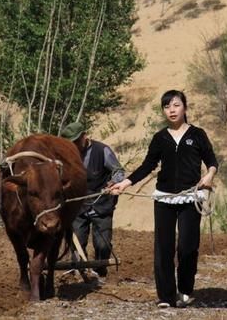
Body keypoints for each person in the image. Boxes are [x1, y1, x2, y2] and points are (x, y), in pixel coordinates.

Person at [109, 90, 218, 308]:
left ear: (184, 108)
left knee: (188, 247)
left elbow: (212, 161)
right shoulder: (160, 138)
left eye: (176, 105)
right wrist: (125, 183)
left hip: (190, 198)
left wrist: (209, 175)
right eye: (167, 107)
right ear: (163, 111)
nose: (172, 110)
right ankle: (166, 297)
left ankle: (185, 290)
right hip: (164, 198)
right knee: (163, 248)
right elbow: (148, 165)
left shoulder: (197, 135)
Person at [60, 122, 125, 278]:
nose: (74, 145)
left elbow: (118, 171)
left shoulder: (102, 150)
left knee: (102, 245)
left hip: (101, 204)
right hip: (77, 206)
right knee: (77, 242)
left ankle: (100, 269)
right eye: (71, 143)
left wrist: (114, 182)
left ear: (84, 136)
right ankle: (80, 271)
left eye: (76, 141)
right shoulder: (66, 155)